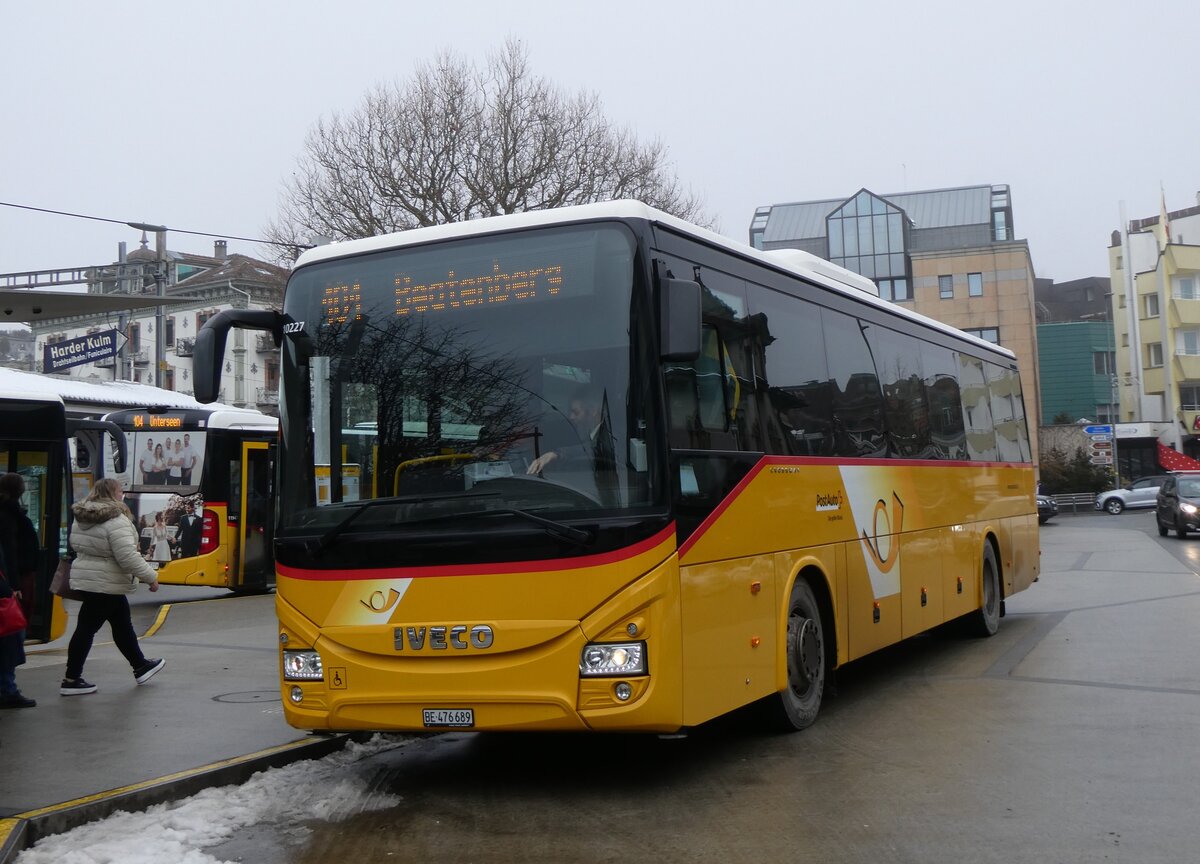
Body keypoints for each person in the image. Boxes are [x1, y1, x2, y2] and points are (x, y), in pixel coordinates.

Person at [60, 478, 164, 695]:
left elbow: (76, 545)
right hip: (106, 582)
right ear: (110, 493)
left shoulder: (81, 517)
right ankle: (71, 679)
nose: (122, 494)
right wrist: (150, 577)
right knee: (87, 630)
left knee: (121, 625)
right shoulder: (116, 519)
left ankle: (140, 666)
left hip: (92, 579)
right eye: (119, 491)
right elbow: (126, 556)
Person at [0, 472, 38, 709]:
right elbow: (9, 553)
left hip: (11, 580)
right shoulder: (8, 515)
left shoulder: (9, 512)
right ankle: (7, 689)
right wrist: (13, 586)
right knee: (12, 636)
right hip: (13, 582)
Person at [526, 385, 614, 475]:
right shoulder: (585, 433)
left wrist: (555, 454)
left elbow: (594, 448)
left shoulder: (612, 436)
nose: (571, 417)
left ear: (592, 411)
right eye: (570, 412)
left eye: (576, 412)